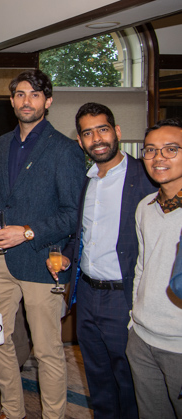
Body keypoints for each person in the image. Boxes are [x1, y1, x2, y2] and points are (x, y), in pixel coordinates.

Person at [46, 103, 155, 418]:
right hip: (88, 296)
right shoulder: (87, 180)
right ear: (80, 141)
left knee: (130, 379)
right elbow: (81, 234)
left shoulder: (144, 177)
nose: (97, 138)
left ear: (117, 132)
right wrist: (68, 259)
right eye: (88, 133)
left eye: (103, 129)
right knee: (98, 378)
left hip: (124, 296)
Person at [0, 69, 85, 419]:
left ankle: (53, 416)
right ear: (12, 100)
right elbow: (1, 199)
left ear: (48, 100)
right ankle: (13, 411)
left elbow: (74, 213)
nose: (25, 100)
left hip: (43, 261)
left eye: (33, 94)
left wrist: (27, 231)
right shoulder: (2, 144)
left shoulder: (65, 150)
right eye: (19, 94)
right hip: (1, 260)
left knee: (47, 351)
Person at [125, 118, 182, 418]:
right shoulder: (145, 206)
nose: (159, 158)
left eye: (170, 149)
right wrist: (134, 319)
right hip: (142, 338)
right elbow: (142, 265)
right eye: (150, 150)